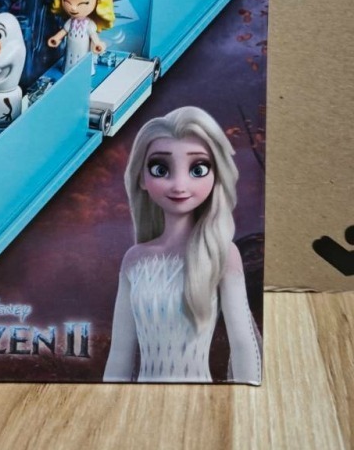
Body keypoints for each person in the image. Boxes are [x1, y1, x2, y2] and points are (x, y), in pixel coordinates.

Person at [103, 106, 261, 382]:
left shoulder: (222, 254)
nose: (179, 185)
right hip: (142, 398)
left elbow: (242, 345)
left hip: (198, 396)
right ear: (141, 178)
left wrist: (245, 399)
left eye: (198, 169)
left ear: (216, 175)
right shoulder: (135, 259)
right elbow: (120, 354)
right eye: (160, 169)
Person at [46, 0, 114, 72]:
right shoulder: (70, 22)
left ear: (99, 0)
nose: (73, 7)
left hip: (83, 53)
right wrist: (56, 39)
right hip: (70, 52)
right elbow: (64, 31)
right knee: (69, 62)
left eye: (84, 2)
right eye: (66, 0)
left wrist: (98, 44)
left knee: (82, 65)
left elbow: (94, 36)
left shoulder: (89, 24)